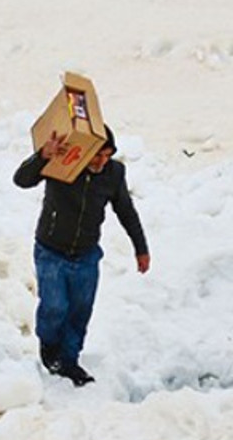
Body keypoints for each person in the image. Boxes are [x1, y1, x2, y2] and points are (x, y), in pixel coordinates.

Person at [13, 125, 151, 386]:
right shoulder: (62, 164)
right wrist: (43, 155)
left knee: (79, 312)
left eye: (107, 155)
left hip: (86, 254)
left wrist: (140, 248)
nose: (101, 161)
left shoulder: (114, 173)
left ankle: (69, 361)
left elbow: (126, 211)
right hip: (51, 250)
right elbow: (21, 180)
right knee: (55, 306)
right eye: (96, 155)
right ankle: (50, 347)